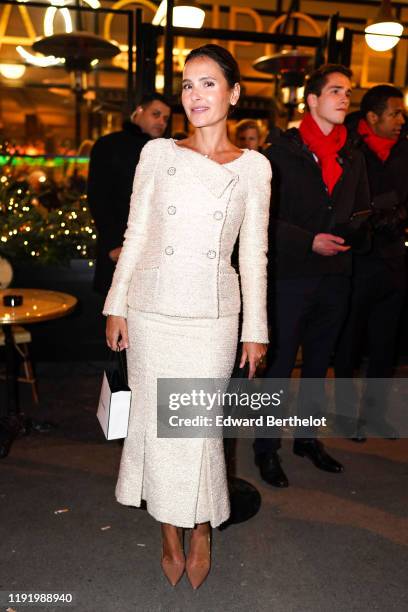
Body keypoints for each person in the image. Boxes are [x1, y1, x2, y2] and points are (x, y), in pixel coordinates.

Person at [103, 44, 271, 588]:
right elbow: (137, 234)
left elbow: (253, 254)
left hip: (212, 316)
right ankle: (168, 529)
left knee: (197, 431)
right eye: (187, 85)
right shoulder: (157, 154)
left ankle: (200, 526)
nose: (195, 95)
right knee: (157, 425)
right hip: (153, 310)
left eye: (208, 83)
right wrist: (116, 302)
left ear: (234, 94)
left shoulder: (254, 168)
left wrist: (255, 328)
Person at [255, 64, 371, 488]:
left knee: (318, 364)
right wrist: (309, 242)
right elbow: (263, 218)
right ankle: (266, 448)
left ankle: (306, 439)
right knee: (281, 365)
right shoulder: (280, 154)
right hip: (291, 275)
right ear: (312, 100)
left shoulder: (352, 156)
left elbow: (360, 208)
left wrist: (358, 231)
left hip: (337, 273)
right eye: (336, 91)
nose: (345, 99)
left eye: (348, 92)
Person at [334, 85, 407, 440]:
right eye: (394, 113)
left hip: (394, 259)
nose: (401, 120)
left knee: (384, 342)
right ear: (372, 117)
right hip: (358, 259)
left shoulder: (405, 149)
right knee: (349, 340)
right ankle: (345, 414)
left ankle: (375, 414)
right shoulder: (351, 149)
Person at [87, 94, 171, 295]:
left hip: (157, 254)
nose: (161, 122)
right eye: (156, 114)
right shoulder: (108, 145)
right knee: (116, 317)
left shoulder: (167, 151)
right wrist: (113, 244)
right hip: (119, 248)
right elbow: (98, 198)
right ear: (139, 111)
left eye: (165, 118)